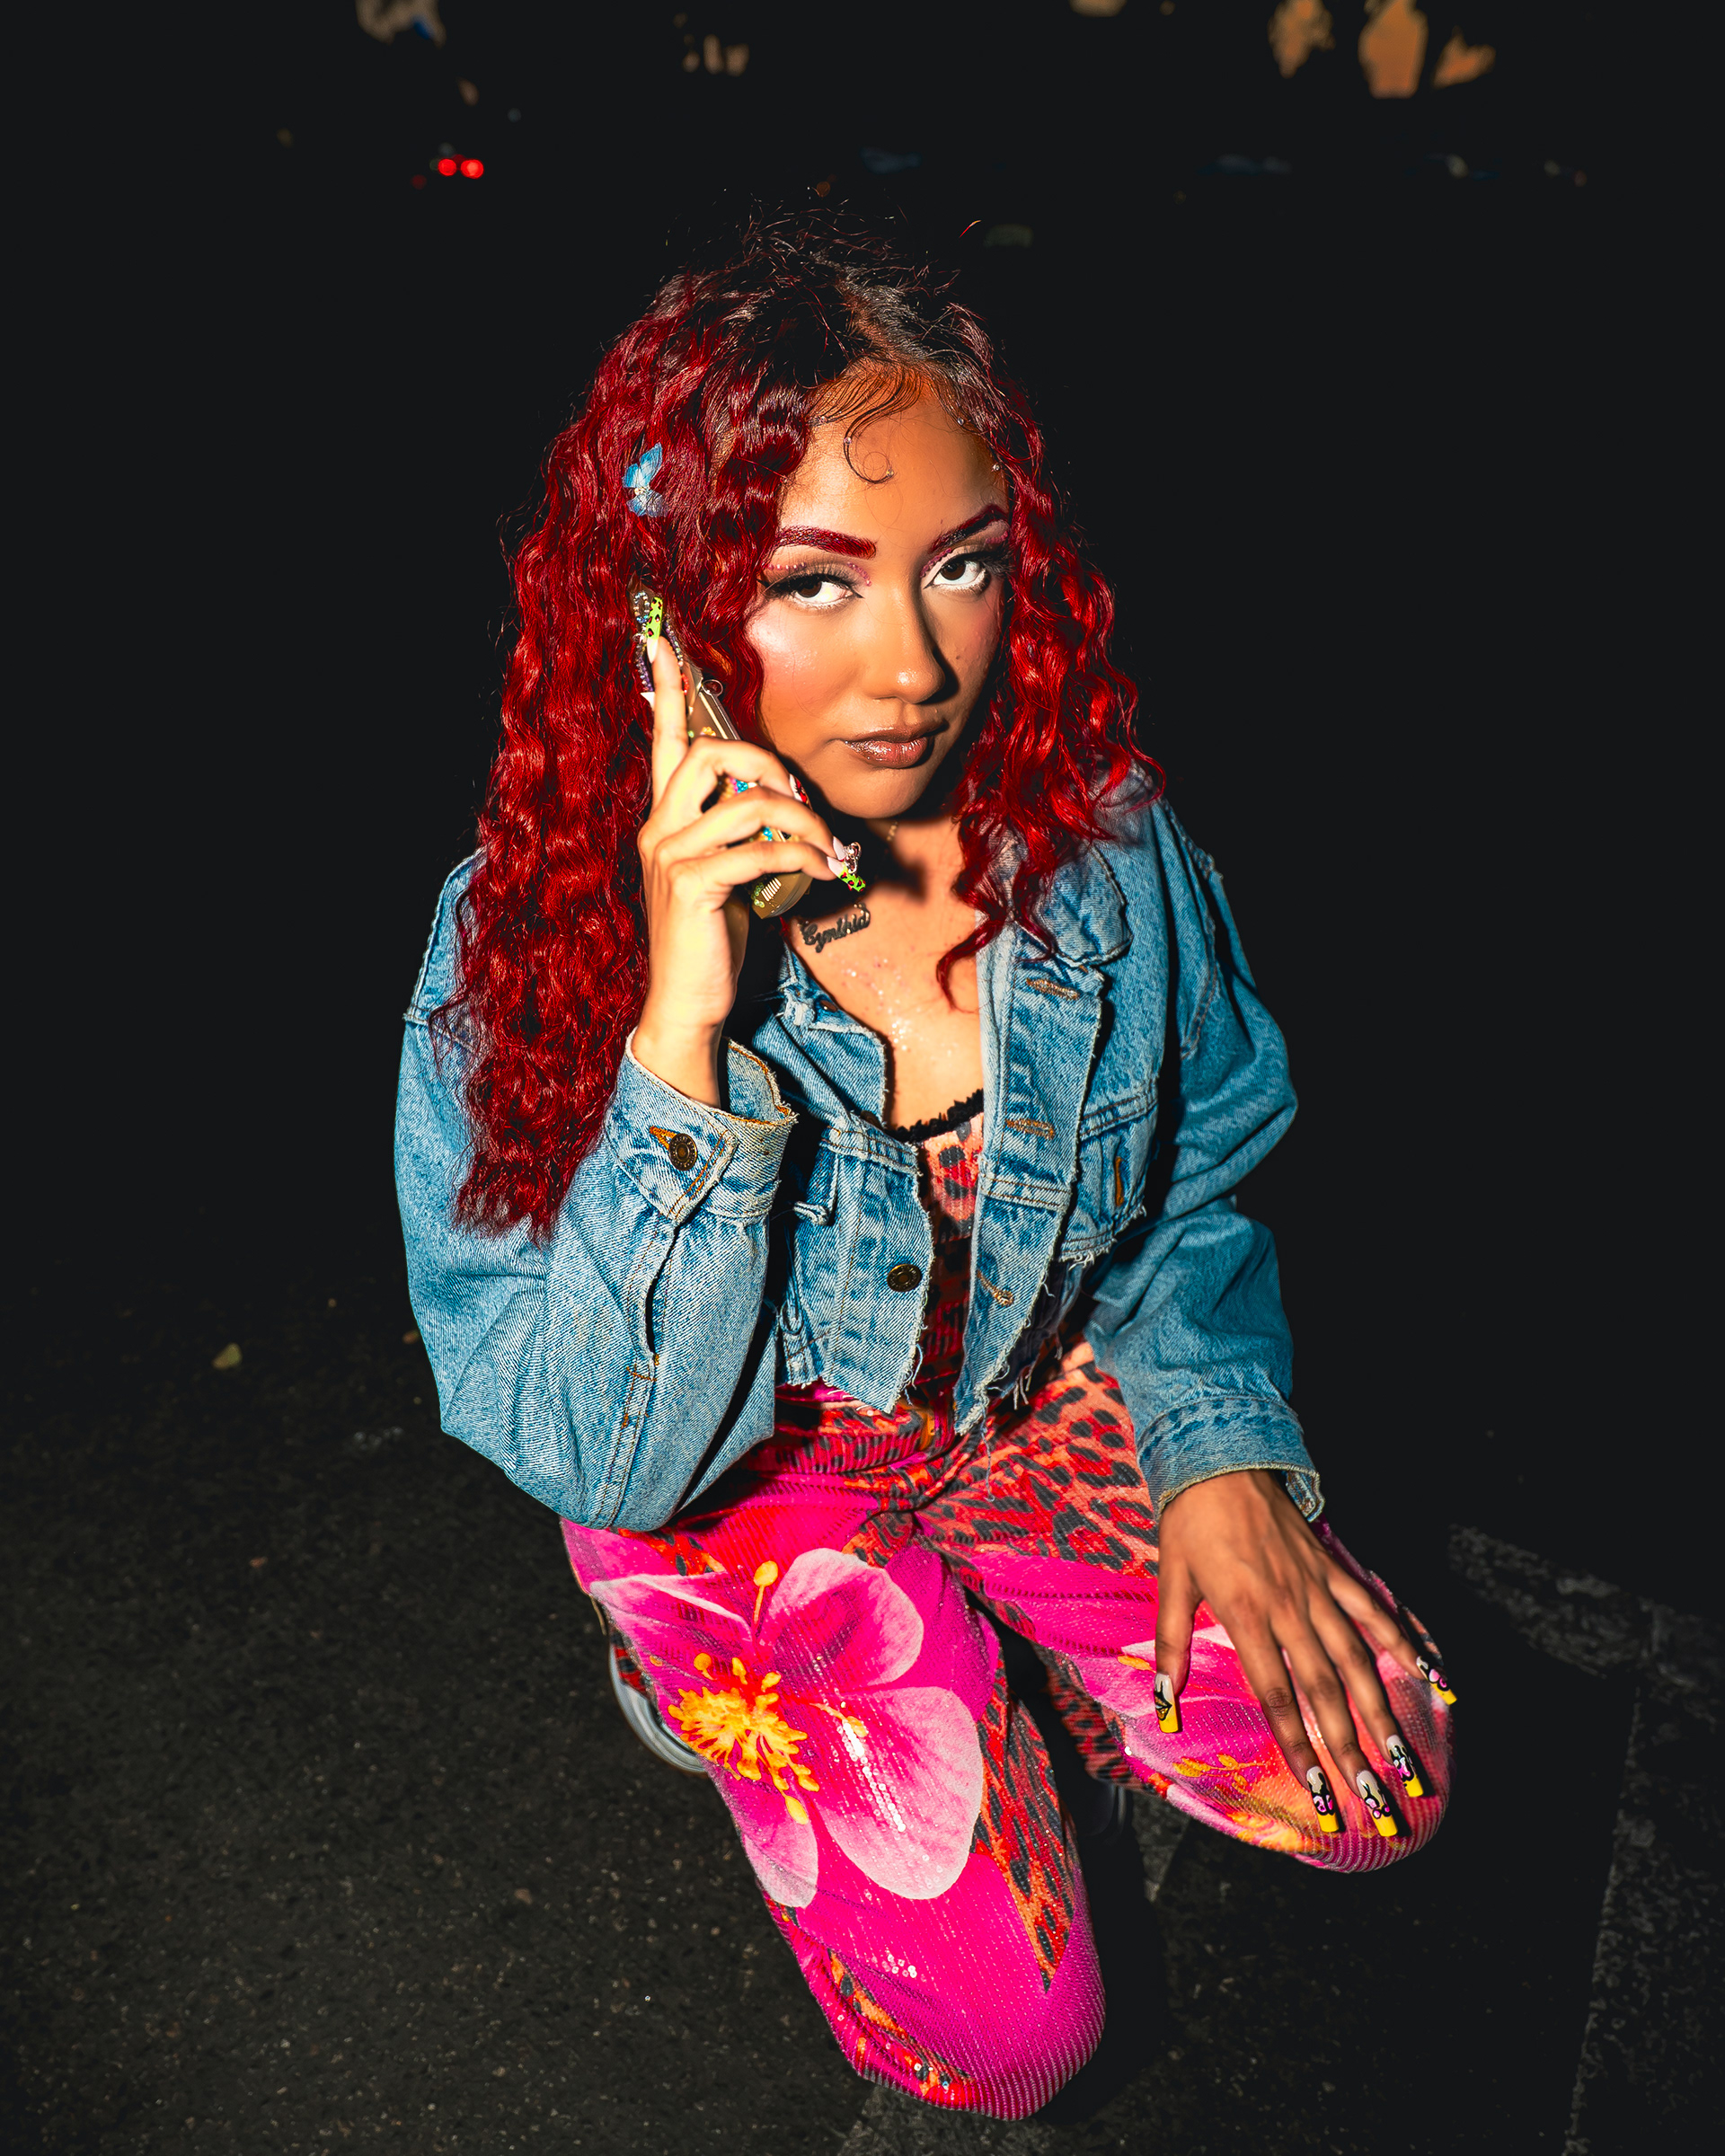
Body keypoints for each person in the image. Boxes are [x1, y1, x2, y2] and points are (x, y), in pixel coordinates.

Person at [394, 216, 1455, 2122]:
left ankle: (1001, 1636)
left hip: (1018, 1403)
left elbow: (1195, 1172)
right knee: (1013, 2045)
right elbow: (593, 1446)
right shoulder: (528, 941)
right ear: (666, 613)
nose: (913, 666)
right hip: (734, 1481)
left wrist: (1215, 1446)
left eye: (959, 565)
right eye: (814, 583)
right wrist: (683, 1034)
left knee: (1377, 1780)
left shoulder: (1097, 844)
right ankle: (702, 1672)